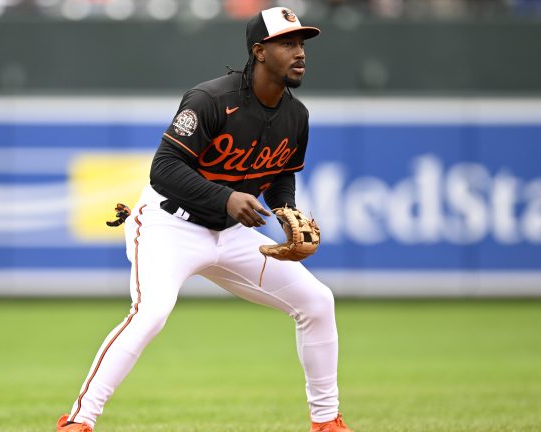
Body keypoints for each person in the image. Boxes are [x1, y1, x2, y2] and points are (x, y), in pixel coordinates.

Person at [56, 6, 353, 432]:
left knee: (317, 302)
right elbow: (164, 168)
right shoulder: (211, 99)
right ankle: (79, 421)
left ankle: (326, 422)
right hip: (167, 225)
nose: (299, 52)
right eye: (287, 43)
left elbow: (282, 173)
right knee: (152, 311)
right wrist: (226, 197)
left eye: (301, 43)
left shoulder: (296, 116)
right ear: (259, 51)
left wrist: (286, 212)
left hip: (230, 236)